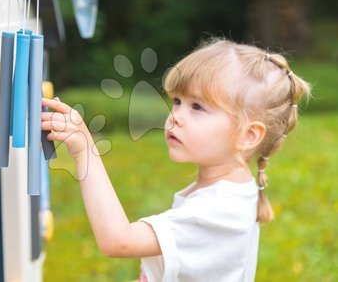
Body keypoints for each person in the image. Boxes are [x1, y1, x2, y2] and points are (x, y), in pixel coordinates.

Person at [40, 39, 311, 282]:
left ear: (248, 135)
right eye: (177, 101)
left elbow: (118, 241)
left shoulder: (217, 210)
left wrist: (86, 150)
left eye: (197, 107)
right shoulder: (233, 188)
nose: (176, 116)